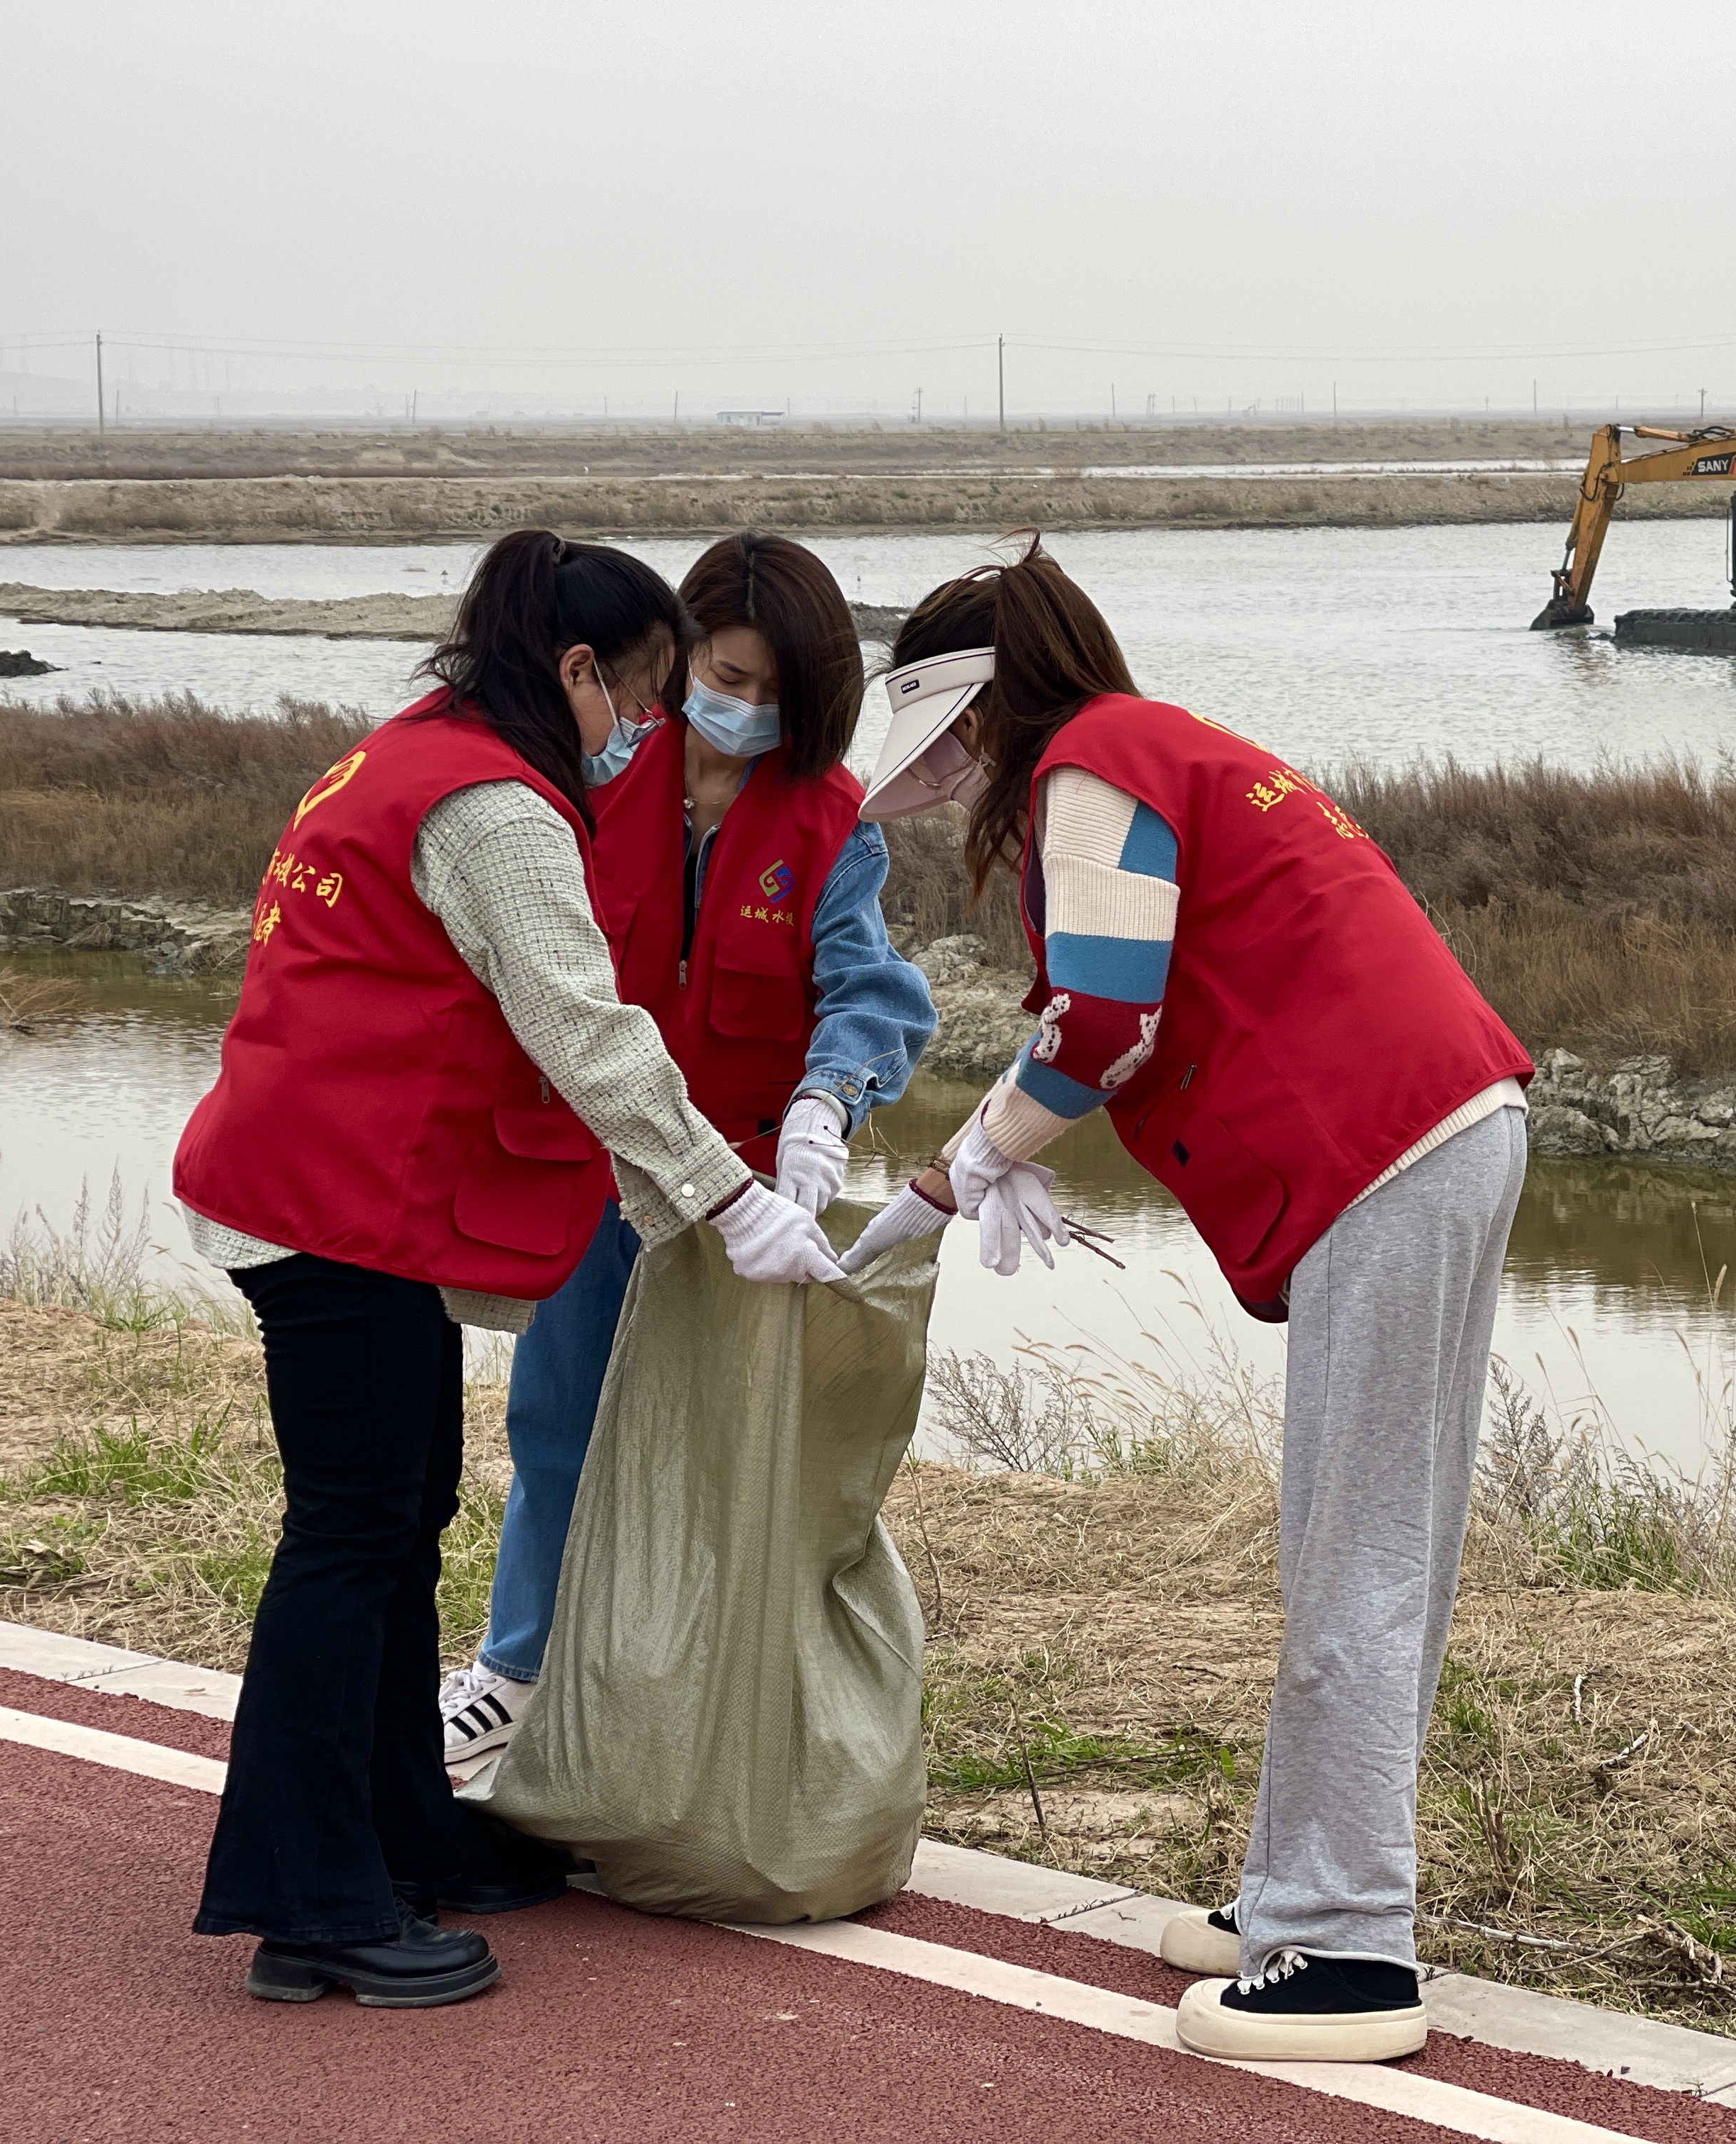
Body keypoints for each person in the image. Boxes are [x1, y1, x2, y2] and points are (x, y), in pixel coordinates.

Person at [844, 540, 1533, 2062]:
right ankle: (1295, 1897)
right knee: (1371, 1541)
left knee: (1355, 1551)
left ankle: (1349, 1952)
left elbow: (1105, 1016)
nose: (951, 779)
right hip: (1441, 1128)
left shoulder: (1091, 764)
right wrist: (991, 1149)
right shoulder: (1159, 742)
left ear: (984, 703)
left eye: (950, 740)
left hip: (1388, 1150)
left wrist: (968, 1163)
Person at [173, 529, 846, 2009]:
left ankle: (404, 1832)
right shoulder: (495, 808)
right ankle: (310, 1905)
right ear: (576, 670)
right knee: (349, 1539)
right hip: (331, 1206)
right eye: (642, 700)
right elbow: (588, 1032)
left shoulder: (408, 753)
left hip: (325, 1189)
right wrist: (727, 1199)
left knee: (401, 1518)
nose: (644, 735)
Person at [437, 530, 935, 1773]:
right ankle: (517, 1671)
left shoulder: (833, 821)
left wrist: (828, 1104)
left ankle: (701, 1705)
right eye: (726, 674)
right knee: (559, 1425)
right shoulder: (590, 775)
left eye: (777, 692)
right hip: (590, 1170)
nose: (746, 708)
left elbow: (869, 992)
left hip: (749, 1195)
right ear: (679, 655)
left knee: (733, 1453)